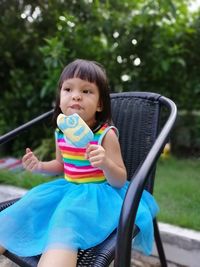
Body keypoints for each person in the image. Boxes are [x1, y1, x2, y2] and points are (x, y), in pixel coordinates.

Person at [0, 59, 158, 267]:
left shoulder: (105, 135)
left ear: (100, 104)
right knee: (24, 210)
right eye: (68, 89)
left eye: (86, 91)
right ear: (59, 99)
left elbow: (119, 179)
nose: (75, 95)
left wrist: (105, 163)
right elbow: (60, 165)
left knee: (66, 221)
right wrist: (39, 166)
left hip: (96, 196)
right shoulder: (61, 132)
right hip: (66, 189)